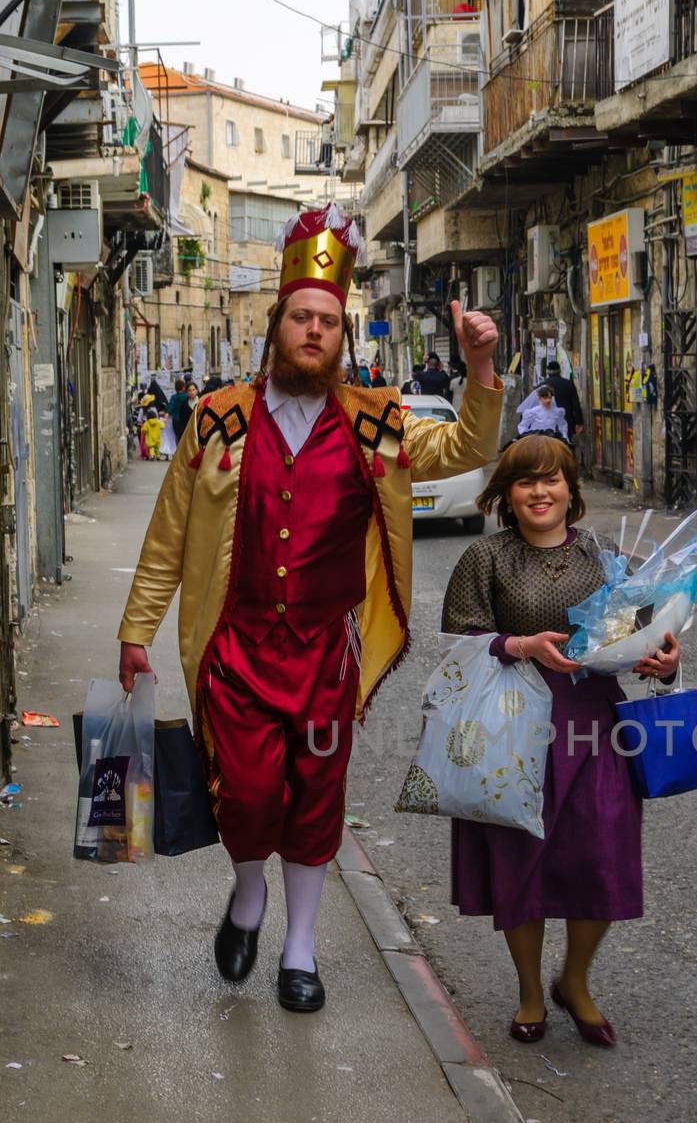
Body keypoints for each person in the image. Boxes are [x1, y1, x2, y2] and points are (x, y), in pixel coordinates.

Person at [116, 205, 502, 1015]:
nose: (315, 331)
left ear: (342, 334)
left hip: (325, 652)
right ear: (276, 323)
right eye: (302, 316)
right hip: (236, 650)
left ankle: (299, 950)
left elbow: (465, 451)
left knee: (316, 797)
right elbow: (168, 536)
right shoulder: (218, 418)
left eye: (328, 320)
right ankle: (248, 896)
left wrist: (478, 373)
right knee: (248, 797)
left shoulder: (379, 424)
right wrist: (135, 631)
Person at [440, 434, 680, 1047]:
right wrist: (518, 644)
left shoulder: (605, 557)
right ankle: (527, 990)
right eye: (525, 481)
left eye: (551, 480)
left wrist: (665, 662)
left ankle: (574, 982)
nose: (539, 492)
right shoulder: (485, 560)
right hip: (511, 724)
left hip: (593, 721)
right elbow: (458, 644)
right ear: (507, 494)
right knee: (520, 861)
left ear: (572, 489)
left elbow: (645, 631)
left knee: (602, 852)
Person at [545, 359, 583, 443]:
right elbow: (575, 404)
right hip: (566, 423)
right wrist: (579, 422)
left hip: (548, 424)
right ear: (559, 371)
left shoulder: (542, 385)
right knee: (565, 448)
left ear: (547, 372)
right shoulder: (568, 384)